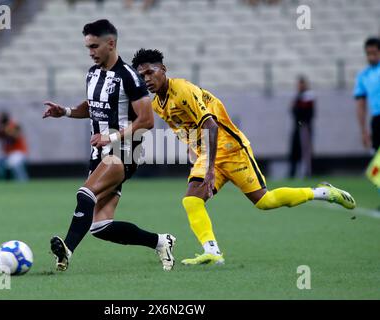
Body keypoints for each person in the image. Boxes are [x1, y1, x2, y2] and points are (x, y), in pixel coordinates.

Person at [132, 48, 356, 266]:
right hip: (209, 155)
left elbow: (210, 124)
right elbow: (187, 129)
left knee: (264, 202)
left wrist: (208, 170)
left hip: (232, 150)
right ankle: (212, 253)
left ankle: (324, 192)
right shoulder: (157, 105)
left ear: (162, 68)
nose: (147, 79)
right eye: (142, 76)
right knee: (191, 200)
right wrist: (194, 152)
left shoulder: (183, 90)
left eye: (150, 72)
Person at [42, 20, 175, 272]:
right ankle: (160, 242)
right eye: (87, 47)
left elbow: (147, 121)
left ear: (111, 43)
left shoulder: (130, 77)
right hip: (99, 153)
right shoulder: (93, 73)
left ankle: (66, 251)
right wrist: (66, 111)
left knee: (85, 194)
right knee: (100, 226)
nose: (91, 52)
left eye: (94, 46)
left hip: (123, 151)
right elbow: (93, 107)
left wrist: (111, 137)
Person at [354, 37, 380, 152]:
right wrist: (363, 131)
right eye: (368, 54)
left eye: (374, 53)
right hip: (377, 120)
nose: (371, 57)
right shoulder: (363, 75)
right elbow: (361, 105)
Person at [0, 112, 29, 182]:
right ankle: (2, 177)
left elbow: (16, 136)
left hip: (18, 152)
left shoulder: (13, 125)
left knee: (13, 163)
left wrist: (6, 130)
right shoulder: (1, 126)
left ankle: (22, 181)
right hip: (7, 153)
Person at [289, 75, 315, 178]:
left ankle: (307, 172)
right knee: (295, 149)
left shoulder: (308, 96)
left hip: (304, 126)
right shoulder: (298, 96)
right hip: (298, 126)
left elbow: (303, 113)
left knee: (305, 149)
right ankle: (293, 172)